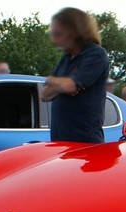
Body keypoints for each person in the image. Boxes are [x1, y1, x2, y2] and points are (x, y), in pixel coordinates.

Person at [42, 8, 109, 144]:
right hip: (60, 141)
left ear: (75, 32)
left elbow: (70, 86)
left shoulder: (96, 54)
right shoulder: (66, 58)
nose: (54, 40)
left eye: (58, 34)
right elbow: (44, 94)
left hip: (84, 142)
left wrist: (57, 82)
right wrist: (60, 84)